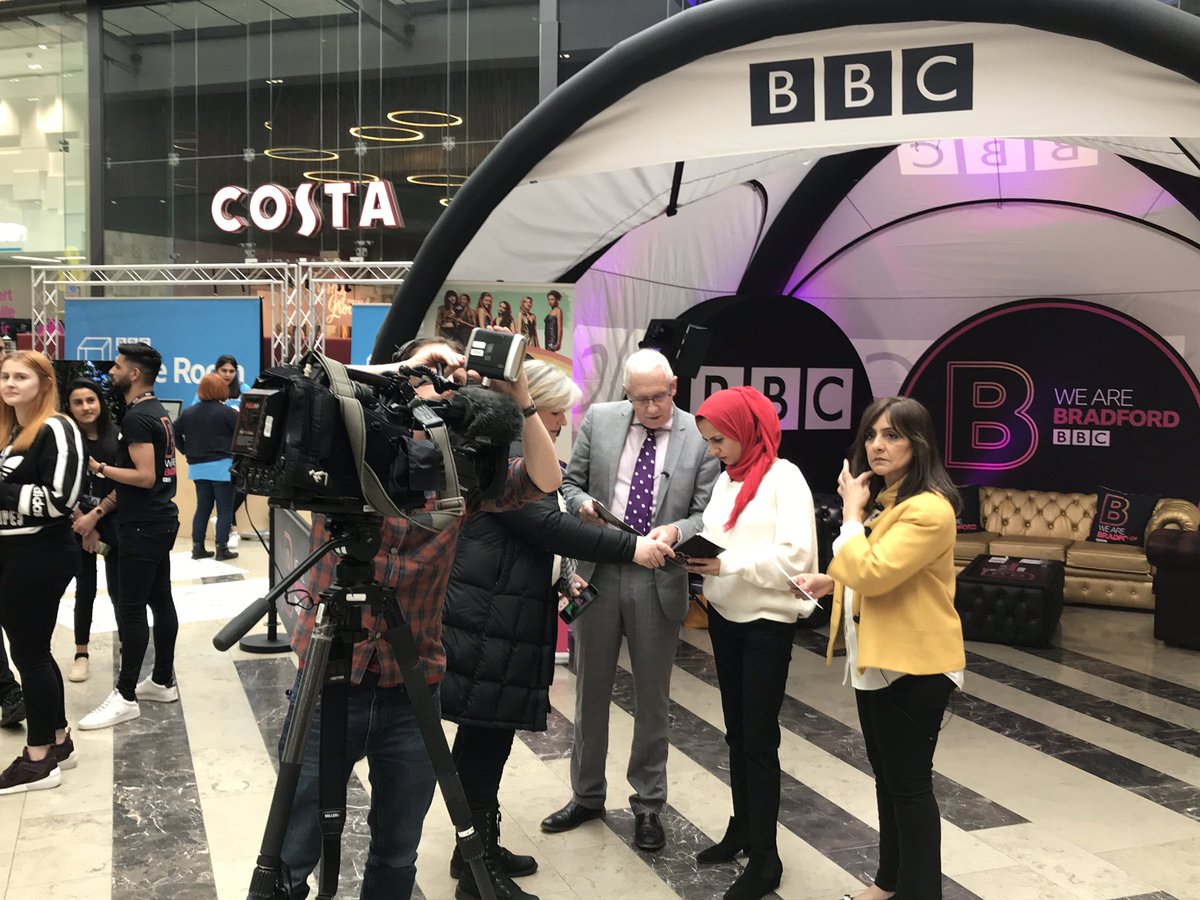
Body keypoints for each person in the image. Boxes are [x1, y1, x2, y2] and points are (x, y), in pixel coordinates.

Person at [276, 338, 563, 900]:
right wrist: (401, 370)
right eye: (430, 368)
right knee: (293, 849)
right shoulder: (342, 449)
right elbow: (303, 377)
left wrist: (520, 398)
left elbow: (544, 479)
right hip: (334, 675)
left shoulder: (460, 467)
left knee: (397, 851)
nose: (440, 378)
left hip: (415, 683)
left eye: (448, 371)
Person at [442, 359, 675, 900]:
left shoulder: (513, 453)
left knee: (488, 739)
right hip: (490, 617)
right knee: (481, 741)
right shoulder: (502, 456)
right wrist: (630, 546)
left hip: (503, 613)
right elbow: (545, 523)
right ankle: (478, 872)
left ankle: (476, 850)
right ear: (524, 407)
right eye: (550, 413)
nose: (557, 425)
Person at [542, 348, 719, 851]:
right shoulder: (599, 420)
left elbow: (707, 512)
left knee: (653, 699)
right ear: (626, 394)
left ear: (675, 387)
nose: (652, 408)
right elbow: (568, 484)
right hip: (599, 571)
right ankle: (586, 795)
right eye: (641, 400)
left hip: (657, 576)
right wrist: (581, 505)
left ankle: (648, 804)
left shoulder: (698, 439)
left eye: (660, 397)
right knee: (589, 692)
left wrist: (677, 530)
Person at [792, 396, 964, 900]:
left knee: (909, 787)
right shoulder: (894, 504)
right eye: (871, 435)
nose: (877, 445)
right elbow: (878, 568)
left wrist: (849, 513)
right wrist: (829, 581)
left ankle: (919, 893)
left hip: (915, 667)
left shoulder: (929, 509)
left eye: (892, 435)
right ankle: (889, 884)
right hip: (877, 663)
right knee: (888, 780)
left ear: (920, 443)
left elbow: (873, 570)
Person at [681, 386, 816, 899]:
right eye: (708, 441)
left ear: (745, 429)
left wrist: (725, 563)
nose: (714, 450)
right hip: (725, 615)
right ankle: (744, 827)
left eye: (720, 439)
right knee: (736, 732)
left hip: (766, 623)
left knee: (759, 739)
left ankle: (766, 857)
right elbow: (718, 539)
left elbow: (797, 560)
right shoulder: (726, 481)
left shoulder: (786, 478)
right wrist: (696, 558)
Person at [77, 343, 182, 731]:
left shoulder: (138, 417)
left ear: (135, 373)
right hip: (158, 520)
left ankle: (125, 695)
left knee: (133, 607)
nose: (113, 371)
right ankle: (162, 680)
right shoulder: (158, 413)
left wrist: (101, 467)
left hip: (142, 525)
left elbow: (145, 476)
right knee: (159, 599)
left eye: (119, 366)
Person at [0, 351, 84, 793]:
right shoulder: (10, 430)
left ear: (44, 383)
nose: (10, 383)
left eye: (21, 377)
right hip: (13, 554)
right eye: (5, 376)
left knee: (29, 655)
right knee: (33, 650)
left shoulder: (57, 427)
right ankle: (57, 740)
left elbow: (60, 499)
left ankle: (37, 760)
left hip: (39, 554)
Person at [63, 379, 122, 684]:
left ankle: (128, 646)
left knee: (119, 591)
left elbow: (124, 484)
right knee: (84, 590)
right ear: (69, 407)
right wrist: (82, 523)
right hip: (77, 524)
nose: (86, 407)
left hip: (112, 521)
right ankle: (81, 653)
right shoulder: (64, 441)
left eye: (91, 400)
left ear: (100, 402)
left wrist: (96, 517)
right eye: (78, 402)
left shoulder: (118, 437)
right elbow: (59, 485)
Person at [175, 373, 239, 561]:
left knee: (202, 507)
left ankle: (198, 547)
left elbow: (174, 432)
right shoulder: (228, 412)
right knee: (225, 509)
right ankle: (221, 548)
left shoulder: (188, 412)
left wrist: (186, 450)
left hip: (197, 468)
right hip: (223, 467)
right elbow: (240, 437)